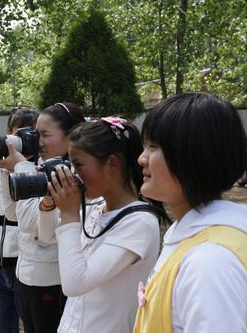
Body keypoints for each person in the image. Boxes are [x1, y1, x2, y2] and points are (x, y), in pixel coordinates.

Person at [134, 93, 247, 333]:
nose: (141, 159)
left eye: (154, 147)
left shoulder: (209, 261)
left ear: (194, 156)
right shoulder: (194, 237)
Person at [45, 117, 167, 333]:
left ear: (112, 163)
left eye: (78, 165)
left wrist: (69, 214)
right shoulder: (95, 207)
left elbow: (75, 284)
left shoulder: (139, 222)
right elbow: (46, 236)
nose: (74, 175)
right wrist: (47, 205)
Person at [0, 102, 85, 333]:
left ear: (71, 136)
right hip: (26, 276)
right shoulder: (41, 165)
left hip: (52, 281)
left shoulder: (71, 177)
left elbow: (28, 223)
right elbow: (12, 213)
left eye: (45, 135)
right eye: (37, 134)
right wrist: (8, 171)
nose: (38, 142)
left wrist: (22, 167)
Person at [0, 108, 38, 333]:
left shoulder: (36, 169)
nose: (22, 141)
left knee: (31, 324)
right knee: (1, 327)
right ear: (7, 134)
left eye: (30, 134)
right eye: (17, 134)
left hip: (21, 262)